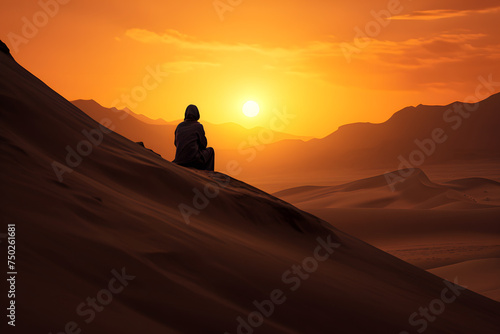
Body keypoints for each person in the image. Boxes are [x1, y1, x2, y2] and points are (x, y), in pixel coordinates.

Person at [173, 105, 215, 171]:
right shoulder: (198, 126)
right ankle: (207, 174)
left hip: (179, 159)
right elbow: (204, 145)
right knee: (211, 151)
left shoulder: (179, 126)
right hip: (193, 160)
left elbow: (176, 143)